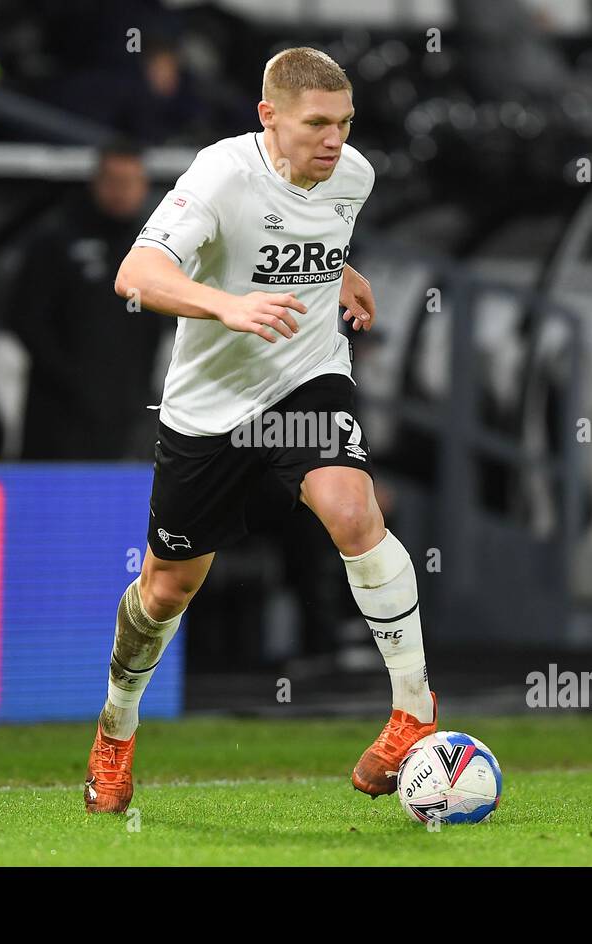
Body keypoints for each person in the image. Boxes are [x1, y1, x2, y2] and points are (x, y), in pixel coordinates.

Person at [83, 47, 437, 813]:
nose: (335, 140)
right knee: (166, 589)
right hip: (208, 407)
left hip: (303, 378)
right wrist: (227, 304)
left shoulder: (355, 176)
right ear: (268, 117)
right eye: (317, 123)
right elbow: (135, 276)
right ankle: (115, 729)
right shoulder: (219, 174)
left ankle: (414, 710)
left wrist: (339, 273)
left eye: (345, 123)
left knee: (352, 511)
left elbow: (310, 236)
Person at [11, 139, 163, 460]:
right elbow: (26, 318)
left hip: (129, 410)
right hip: (60, 412)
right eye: (113, 181)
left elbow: (160, 325)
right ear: (96, 183)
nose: (121, 191)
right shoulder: (56, 239)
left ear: (143, 186)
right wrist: (75, 382)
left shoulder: (154, 244)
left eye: (130, 182)